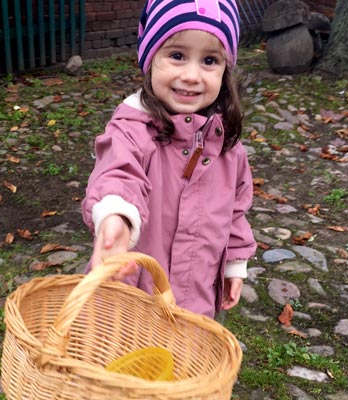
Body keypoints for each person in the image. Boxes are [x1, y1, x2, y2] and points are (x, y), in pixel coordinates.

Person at [81, 0, 257, 318]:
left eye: (209, 60)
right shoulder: (134, 129)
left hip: (197, 295)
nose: (191, 75)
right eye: (177, 56)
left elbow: (236, 210)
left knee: (184, 361)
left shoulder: (227, 145)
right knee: (126, 362)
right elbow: (119, 173)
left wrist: (235, 263)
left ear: (225, 70)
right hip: (134, 296)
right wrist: (116, 219)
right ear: (150, 60)